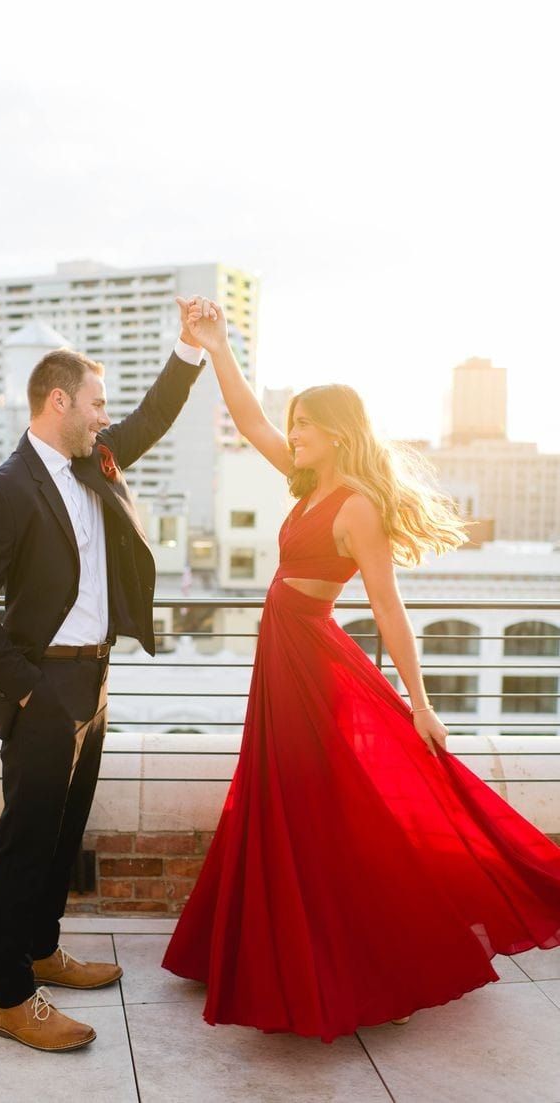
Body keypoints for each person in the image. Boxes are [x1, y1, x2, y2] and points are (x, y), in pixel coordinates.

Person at [162, 295, 560, 1043]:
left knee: (324, 811)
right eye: (295, 425)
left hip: (313, 665)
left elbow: (388, 608)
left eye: (306, 425)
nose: (293, 434)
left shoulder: (356, 505)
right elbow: (249, 422)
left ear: (338, 431)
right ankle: (260, 950)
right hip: (282, 662)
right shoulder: (308, 483)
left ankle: (387, 965)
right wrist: (216, 347)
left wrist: (421, 702)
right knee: (274, 800)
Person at [0, 302, 205, 1052]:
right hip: (43, 689)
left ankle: (43, 949)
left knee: (62, 837)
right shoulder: (4, 487)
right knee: (25, 843)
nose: (105, 415)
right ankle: (9, 995)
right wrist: (27, 690)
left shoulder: (95, 459)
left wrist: (187, 350)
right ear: (58, 401)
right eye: (95, 402)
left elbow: (152, 417)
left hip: (94, 682)